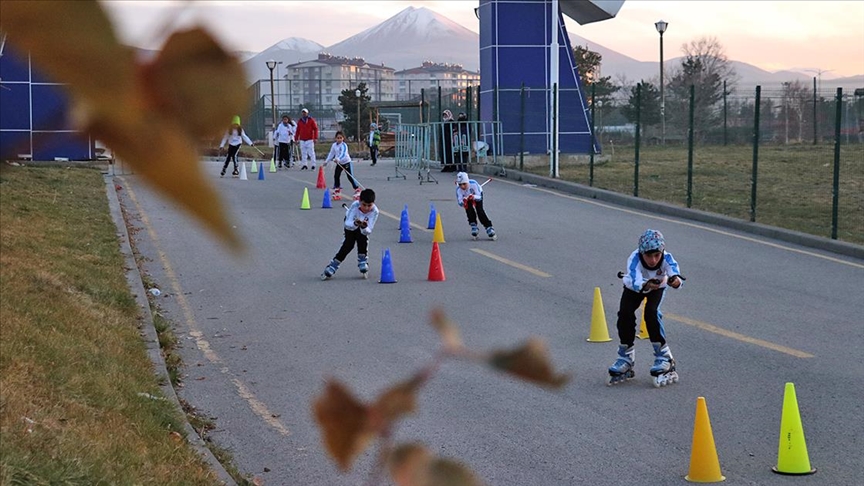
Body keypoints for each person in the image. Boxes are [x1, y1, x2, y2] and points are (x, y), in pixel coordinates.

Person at [608, 229, 683, 387]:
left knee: (651, 313)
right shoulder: (634, 258)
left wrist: (675, 281)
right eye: (648, 256)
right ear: (641, 253)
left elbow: (675, 274)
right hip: (634, 288)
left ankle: (664, 357)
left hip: (658, 286)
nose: (653, 260)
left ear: (662, 251)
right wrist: (646, 284)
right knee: (625, 314)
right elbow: (635, 279)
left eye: (657, 255)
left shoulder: (667, 258)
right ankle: (625, 358)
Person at [321, 188, 379, 280]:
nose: (366, 208)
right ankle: (333, 265)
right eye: (364, 205)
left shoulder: (375, 211)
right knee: (348, 245)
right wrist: (355, 223)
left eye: (369, 205)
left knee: (362, 239)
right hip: (351, 224)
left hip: (363, 227)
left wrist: (364, 227)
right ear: (359, 201)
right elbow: (347, 224)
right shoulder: (355, 205)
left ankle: (363, 260)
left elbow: (369, 230)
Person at [454, 172, 496, 240]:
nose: (462, 186)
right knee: (469, 210)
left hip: (476, 196)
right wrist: (463, 202)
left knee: (480, 211)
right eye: (460, 184)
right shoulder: (459, 190)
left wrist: (473, 196)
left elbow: (479, 197)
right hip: (467, 198)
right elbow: (459, 201)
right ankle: (473, 224)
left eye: (464, 184)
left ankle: (489, 227)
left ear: (467, 182)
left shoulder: (474, 184)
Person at [324, 131, 360, 201]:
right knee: (336, 175)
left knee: (350, 177)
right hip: (339, 163)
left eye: (341, 138)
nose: (339, 139)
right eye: (338, 138)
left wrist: (338, 158)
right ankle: (337, 189)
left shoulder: (344, 145)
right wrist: (326, 161)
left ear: (343, 138)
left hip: (346, 162)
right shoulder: (334, 145)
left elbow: (343, 154)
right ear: (335, 138)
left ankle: (357, 189)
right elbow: (331, 153)